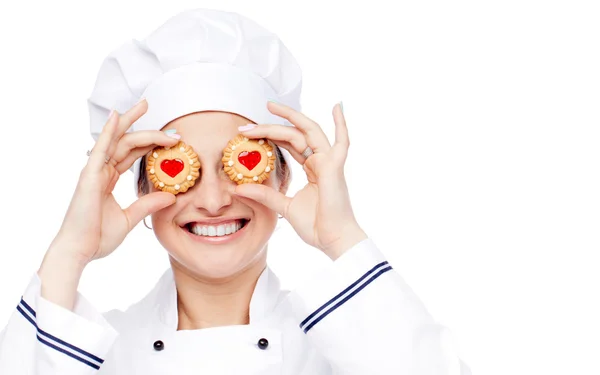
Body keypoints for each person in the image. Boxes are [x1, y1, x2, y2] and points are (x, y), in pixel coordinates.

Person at [0, 8, 471, 375]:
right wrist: (69, 251)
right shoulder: (96, 355)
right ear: (140, 187)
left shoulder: (345, 345)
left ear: (282, 176)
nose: (212, 199)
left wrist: (342, 237)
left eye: (240, 166)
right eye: (179, 167)